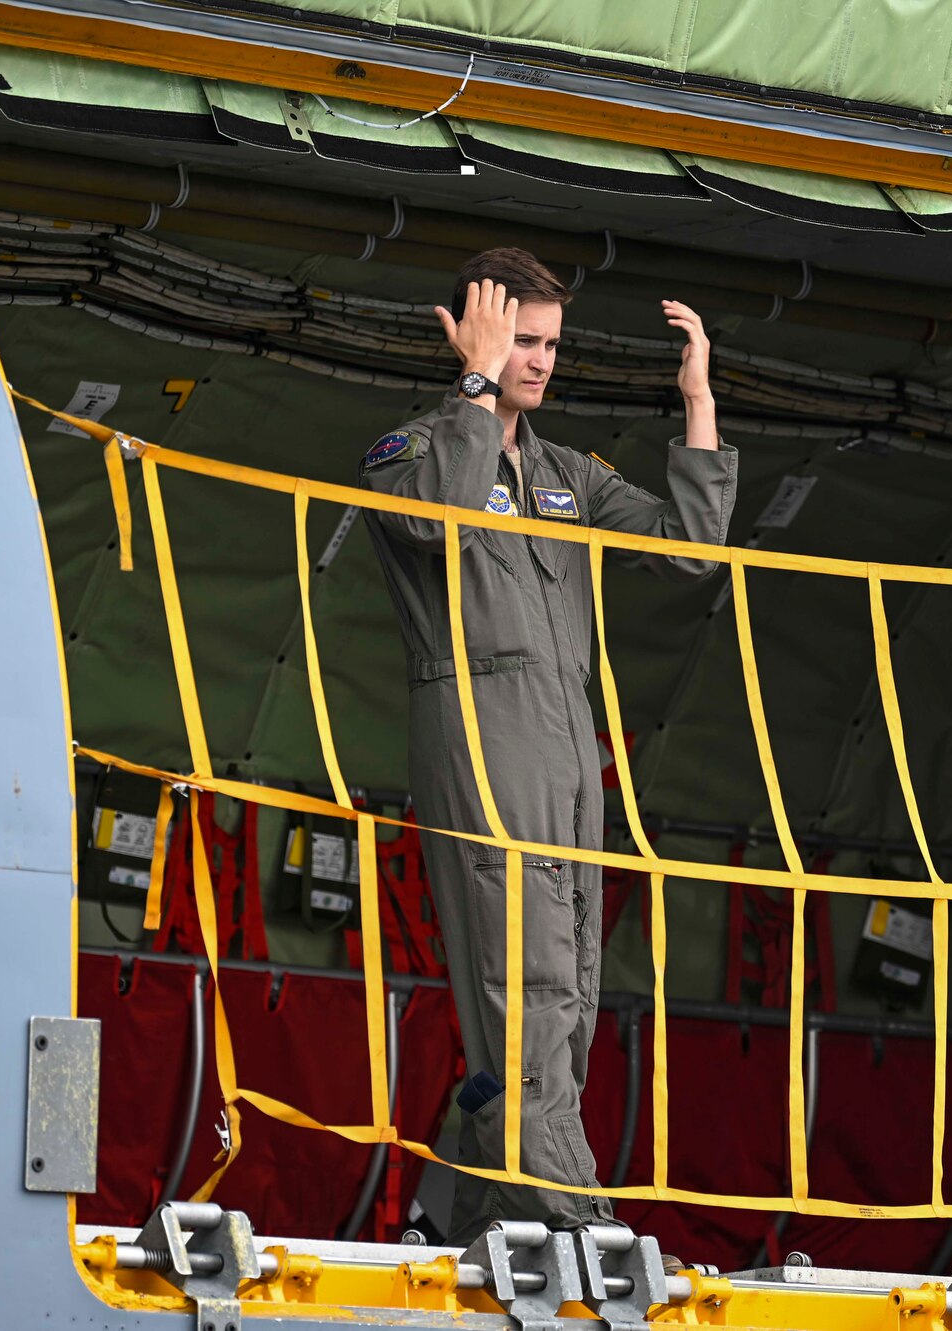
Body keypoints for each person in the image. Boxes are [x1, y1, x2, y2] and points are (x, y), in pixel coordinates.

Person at [358, 248, 736, 1241]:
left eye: (548, 344)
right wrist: (473, 388)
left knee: (567, 976)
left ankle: (477, 1202)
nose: (538, 361)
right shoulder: (407, 453)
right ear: (469, 337)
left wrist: (697, 401)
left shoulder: (569, 474)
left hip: (570, 744)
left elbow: (688, 549)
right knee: (517, 971)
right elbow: (437, 526)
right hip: (481, 727)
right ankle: (563, 1207)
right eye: (519, 341)